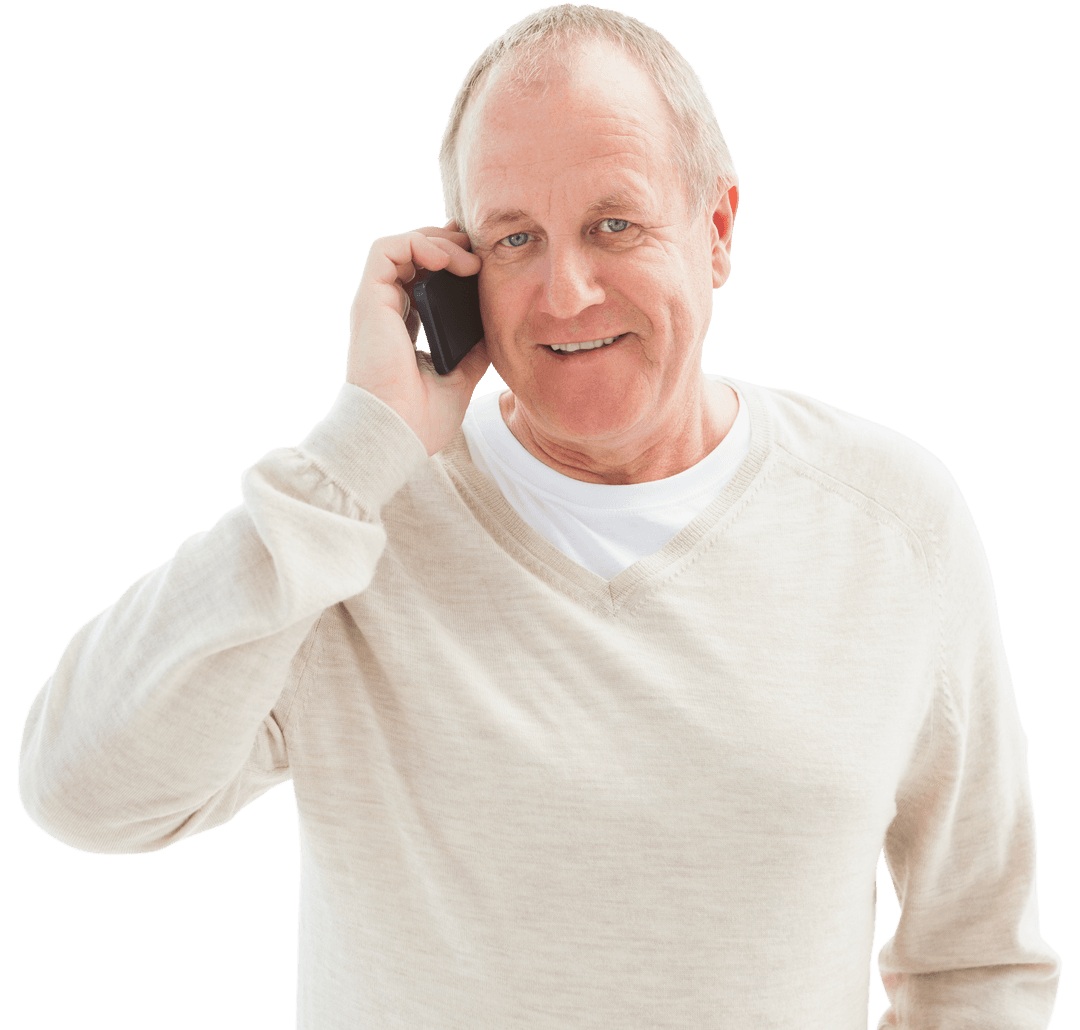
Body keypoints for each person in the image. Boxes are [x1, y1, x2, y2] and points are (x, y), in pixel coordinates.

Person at [17, 4, 1061, 1027]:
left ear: (716, 226)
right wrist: (356, 450)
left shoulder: (891, 520)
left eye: (614, 224)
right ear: (457, 269)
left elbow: (977, 962)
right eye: (515, 239)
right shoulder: (348, 530)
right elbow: (82, 791)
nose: (564, 293)